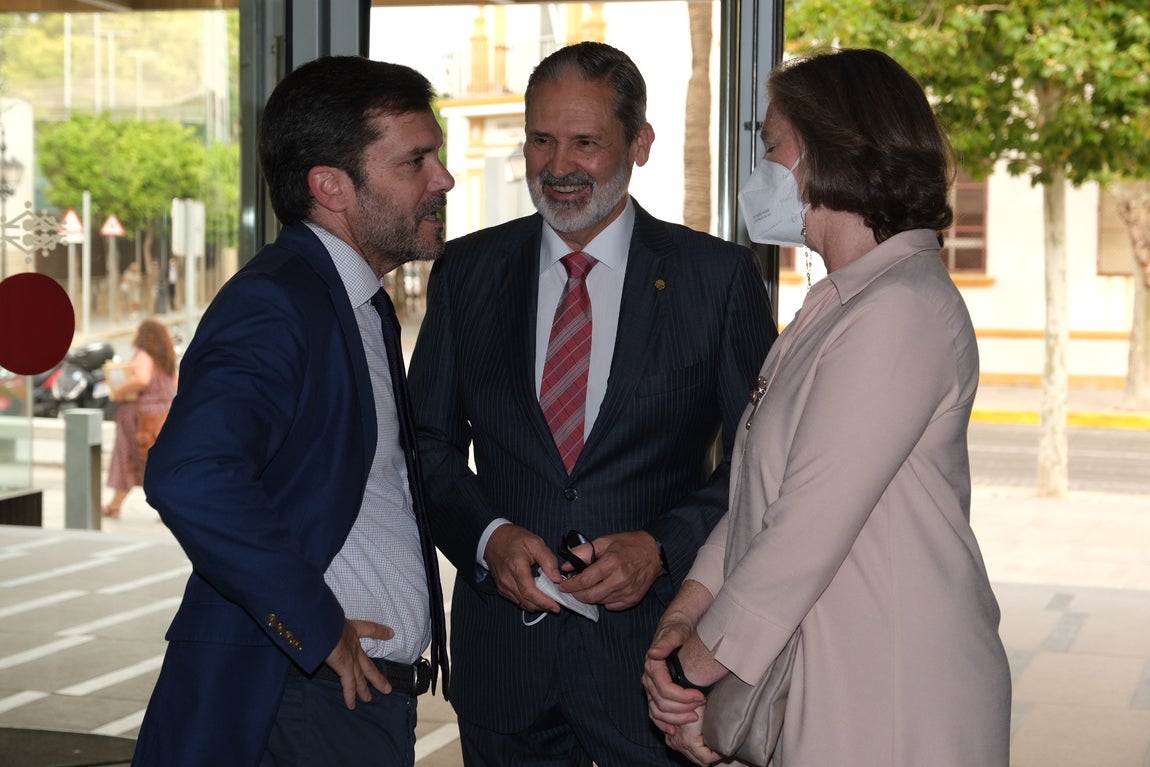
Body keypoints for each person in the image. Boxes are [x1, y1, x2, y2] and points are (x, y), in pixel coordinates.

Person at [409, 41, 776, 766]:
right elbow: (426, 443)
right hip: (505, 671)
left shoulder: (717, 279)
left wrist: (662, 544)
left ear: (640, 143)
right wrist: (488, 538)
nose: (558, 166)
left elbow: (761, 462)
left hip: (655, 671)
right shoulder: (468, 271)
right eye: (541, 140)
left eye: (585, 142)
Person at [642, 48, 1011, 767]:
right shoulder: (840, 305)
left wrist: (691, 671)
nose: (763, 169)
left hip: (895, 699)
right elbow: (762, 499)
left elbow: (803, 533)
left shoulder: (900, 308)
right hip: (833, 680)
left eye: (772, 144)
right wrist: (686, 611)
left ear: (829, 151)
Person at [131, 55, 454, 767]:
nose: (443, 179)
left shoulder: (353, 302)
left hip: (344, 699)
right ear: (330, 186)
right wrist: (315, 623)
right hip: (302, 697)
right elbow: (189, 471)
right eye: (415, 162)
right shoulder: (278, 301)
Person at [101, 318, 177, 519]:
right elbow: (175, 385)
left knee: (127, 459)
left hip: (140, 419)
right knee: (151, 463)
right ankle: (116, 505)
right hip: (162, 416)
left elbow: (141, 379)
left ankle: (116, 506)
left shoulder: (144, 355)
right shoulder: (166, 359)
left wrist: (119, 390)